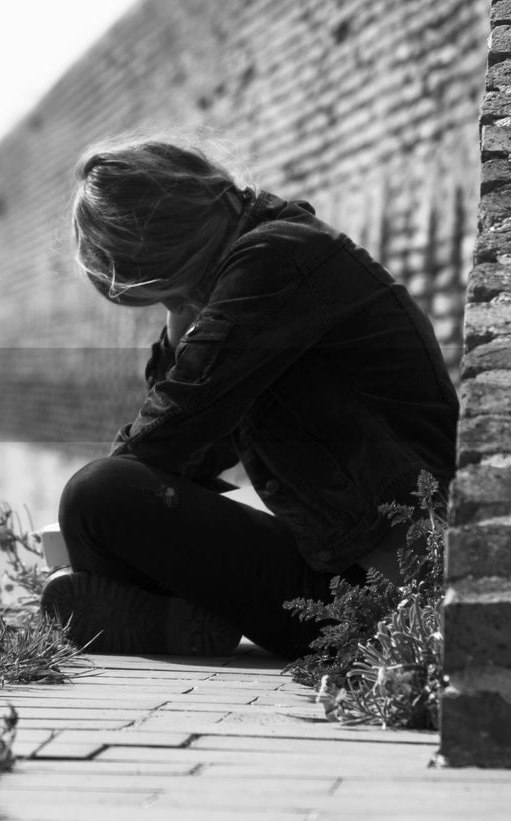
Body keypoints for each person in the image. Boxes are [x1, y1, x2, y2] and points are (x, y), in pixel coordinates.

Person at [40, 137, 459, 659]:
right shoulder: (279, 253)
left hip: (386, 590)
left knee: (96, 497)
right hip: (348, 567)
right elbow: (189, 455)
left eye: (165, 290)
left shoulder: (275, 259)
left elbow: (169, 434)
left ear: (173, 254)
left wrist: (180, 329)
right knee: (104, 500)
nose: (174, 305)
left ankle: (173, 621)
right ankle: (174, 620)